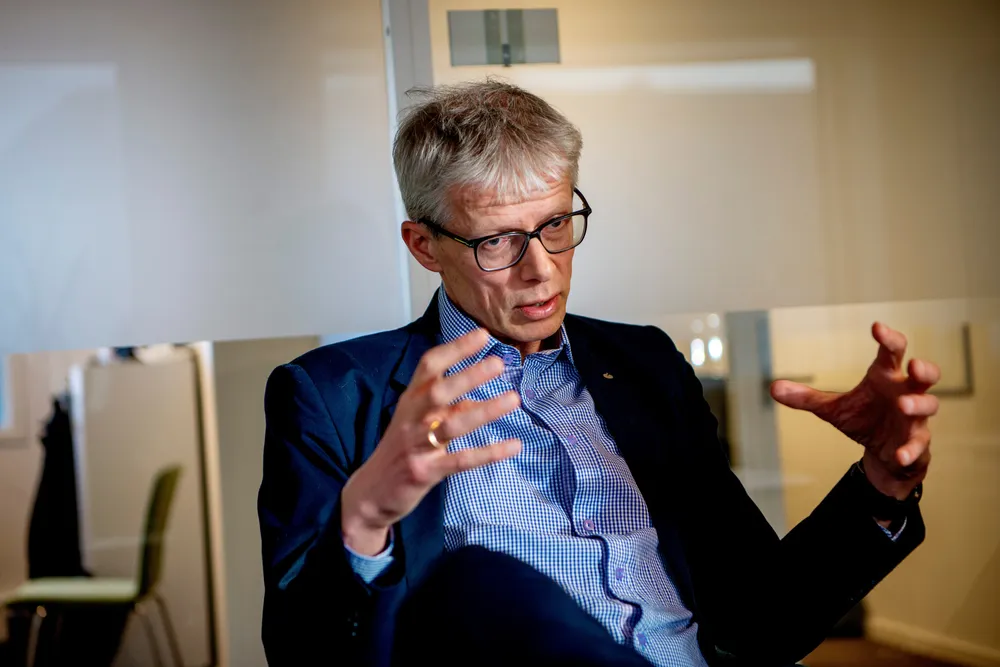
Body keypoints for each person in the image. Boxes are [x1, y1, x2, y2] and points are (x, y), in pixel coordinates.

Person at [258, 81, 939, 667]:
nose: (541, 269)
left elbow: (762, 613)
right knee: (482, 584)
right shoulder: (335, 395)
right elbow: (301, 651)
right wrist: (364, 519)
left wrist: (882, 484)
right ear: (424, 246)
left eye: (555, 224)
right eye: (497, 240)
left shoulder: (645, 366)